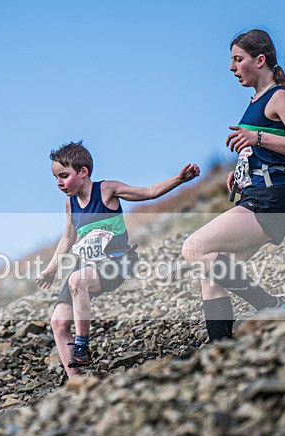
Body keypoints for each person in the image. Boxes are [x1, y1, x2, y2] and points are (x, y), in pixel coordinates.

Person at [181, 29, 285, 342]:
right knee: (212, 272)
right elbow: (267, 151)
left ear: (260, 60)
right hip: (256, 194)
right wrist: (243, 171)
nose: (232, 67)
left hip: (272, 200)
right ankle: (221, 349)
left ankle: (273, 305)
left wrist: (257, 138)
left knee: (194, 248)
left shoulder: (279, 97)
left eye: (237, 59)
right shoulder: (255, 102)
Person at [36, 141, 199, 379]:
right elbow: (67, 238)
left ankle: (82, 345)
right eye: (55, 178)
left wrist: (179, 179)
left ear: (83, 172)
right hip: (88, 266)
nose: (59, 183)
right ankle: (78, 383)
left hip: (117, 262)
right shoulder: (70, 203)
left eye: (64, 176)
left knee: (77, 280)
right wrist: (51, 269)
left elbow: (148, 192)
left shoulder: (107, 190)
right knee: (58, 323)